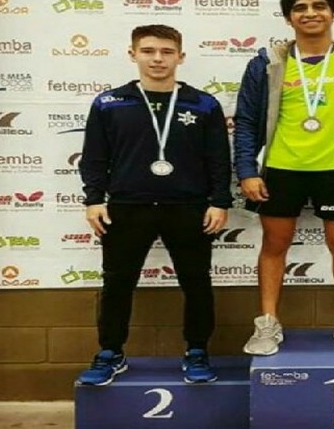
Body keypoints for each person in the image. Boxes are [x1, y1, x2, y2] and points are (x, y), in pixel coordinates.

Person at [234, 0, 334, 355]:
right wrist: (247, 170)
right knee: (274, 245)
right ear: (289, 19)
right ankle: (267, 323)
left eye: (319, 6)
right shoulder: (266, 63)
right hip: (281, 168)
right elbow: (246, 121)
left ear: (333, 14)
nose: (310, 13)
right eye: (300, 7)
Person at [77, 24, 233, 385]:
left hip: (189, 207)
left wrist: (220, 201)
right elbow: (94, 156)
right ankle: (110, 352)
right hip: (127, 206)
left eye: (166, 51)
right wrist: (94, 199)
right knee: (117, 283)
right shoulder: (109, 103)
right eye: (148, 51)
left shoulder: (203, 104)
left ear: (181, 56)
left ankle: (197, 350)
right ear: (133, 54)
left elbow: (218, 159)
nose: (158, 59)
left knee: (196, 281)